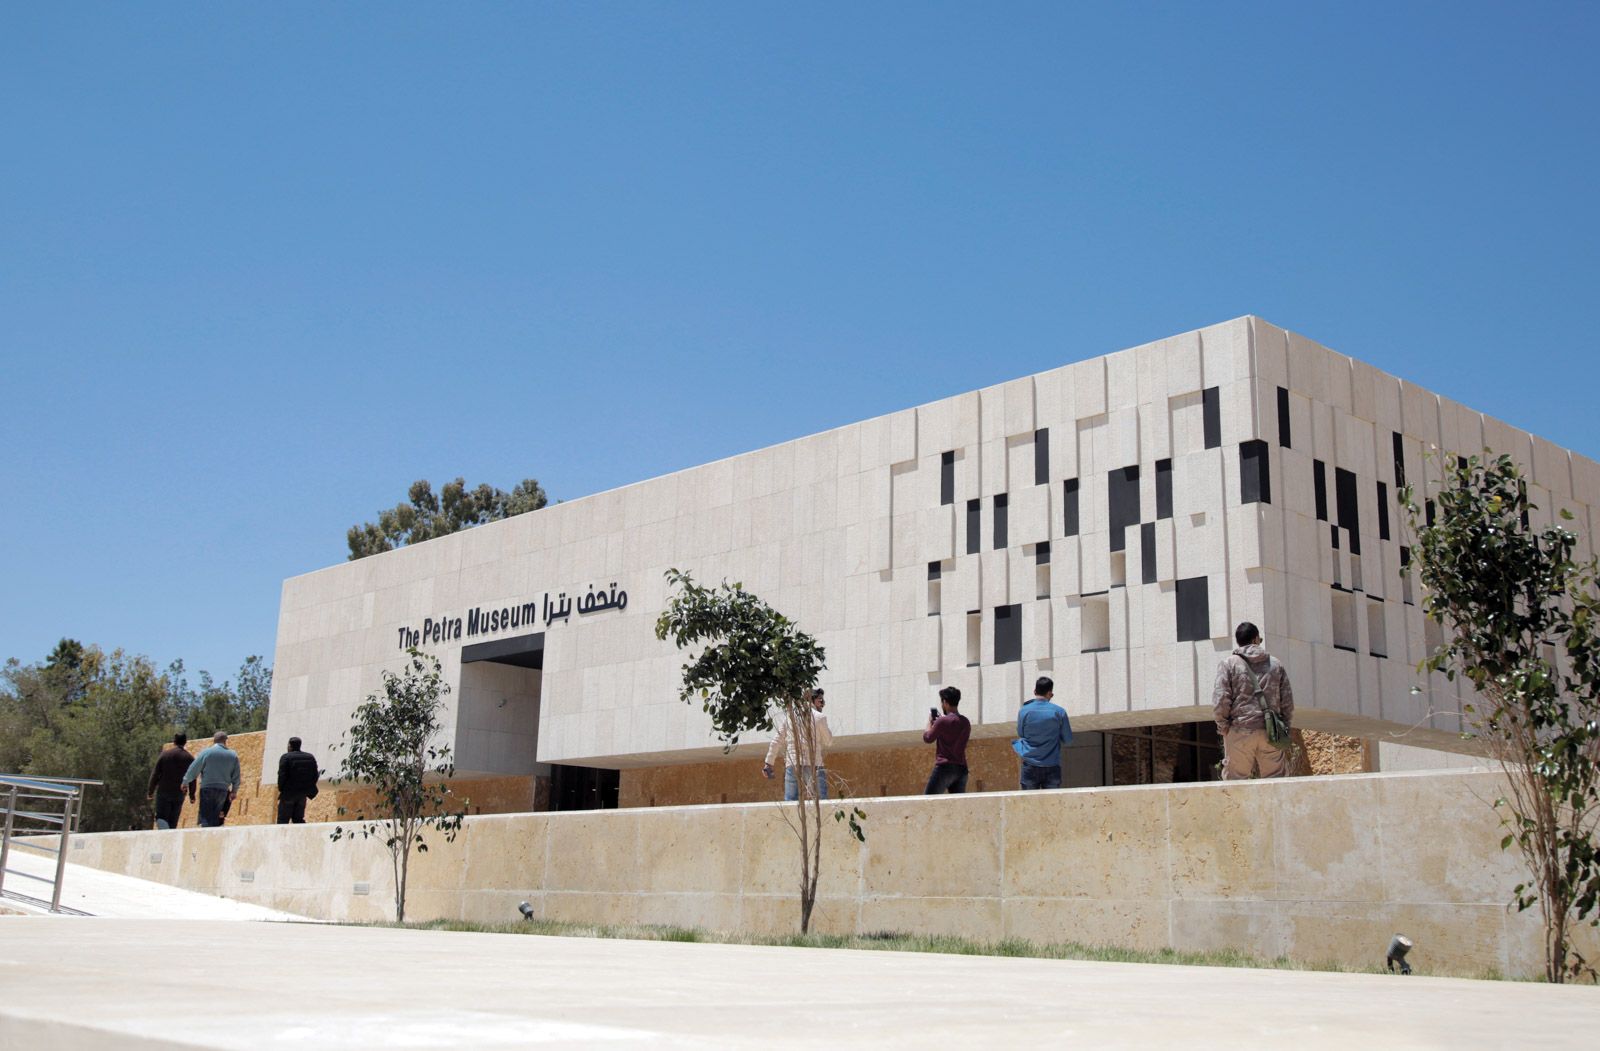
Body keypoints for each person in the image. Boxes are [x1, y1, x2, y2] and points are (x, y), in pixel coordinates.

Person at [1212, 621, 1295, 779]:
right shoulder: (1276, 665)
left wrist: (1223, 727)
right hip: (1271, 732)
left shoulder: (1229, 664)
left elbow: (1220, 699)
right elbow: (1287, 702)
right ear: (1256, 639)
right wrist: (1284, 727)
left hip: (1239, 730)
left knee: (1236, 783)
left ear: (1238, 641)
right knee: (1276, 782)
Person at [762, 688, 833, 801]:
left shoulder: (791, 716)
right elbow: (829, 741)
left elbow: (777, 740)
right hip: (814, 764)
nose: (823, 704)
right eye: (821, 700)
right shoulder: (819, 717)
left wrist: (768, 763)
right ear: (812, 700)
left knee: (790, 801)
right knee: (821, 800)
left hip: (792, 765)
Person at [1015, 676, 1073, 790]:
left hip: (1030, 765)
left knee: (1029, 804)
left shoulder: (1024, 711)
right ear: (1050, 693)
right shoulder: (1059, 712)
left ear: (1035, 691)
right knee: (1051, 805)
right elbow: (1068, 740)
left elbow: (1021, 733)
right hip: (1052, 766)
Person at [182, 730, 241, 828]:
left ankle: (205, 839)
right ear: (225, 741)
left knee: (205, 817)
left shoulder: (207, 752)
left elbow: (194, 769)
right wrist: (234, 791)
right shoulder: (233, 755)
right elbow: (236, 776)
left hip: (207, 789)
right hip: (223, 791)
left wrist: (185, 781)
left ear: (214, 741)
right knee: (216, 818)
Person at [923, 686, 972, 793]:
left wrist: (930, 722)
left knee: (928, 801)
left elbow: (927, 738)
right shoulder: (966, 722)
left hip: (945, 768)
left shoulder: (942, 722)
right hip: (962, 769)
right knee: (957, 806)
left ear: (945, 702)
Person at [146, 733, 195, 829]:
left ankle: (164, 837)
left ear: (174, 742)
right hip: (179, 793)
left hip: (164, 791)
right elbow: (192, 778)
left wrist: (150, 791)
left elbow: (155, 774)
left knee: (161, 818)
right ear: (185, 742)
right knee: (173, 820)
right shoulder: (189, 758)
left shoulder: (165, 755)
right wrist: (192, 795)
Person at [276, 736, 321, 824]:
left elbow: (282, 775)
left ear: (290, 746)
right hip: (302, 795)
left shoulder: (286, 757)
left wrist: (282, 789)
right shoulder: (310, 757)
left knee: (282, 821)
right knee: (298, 820)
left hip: (288, 794)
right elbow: (315, 775)